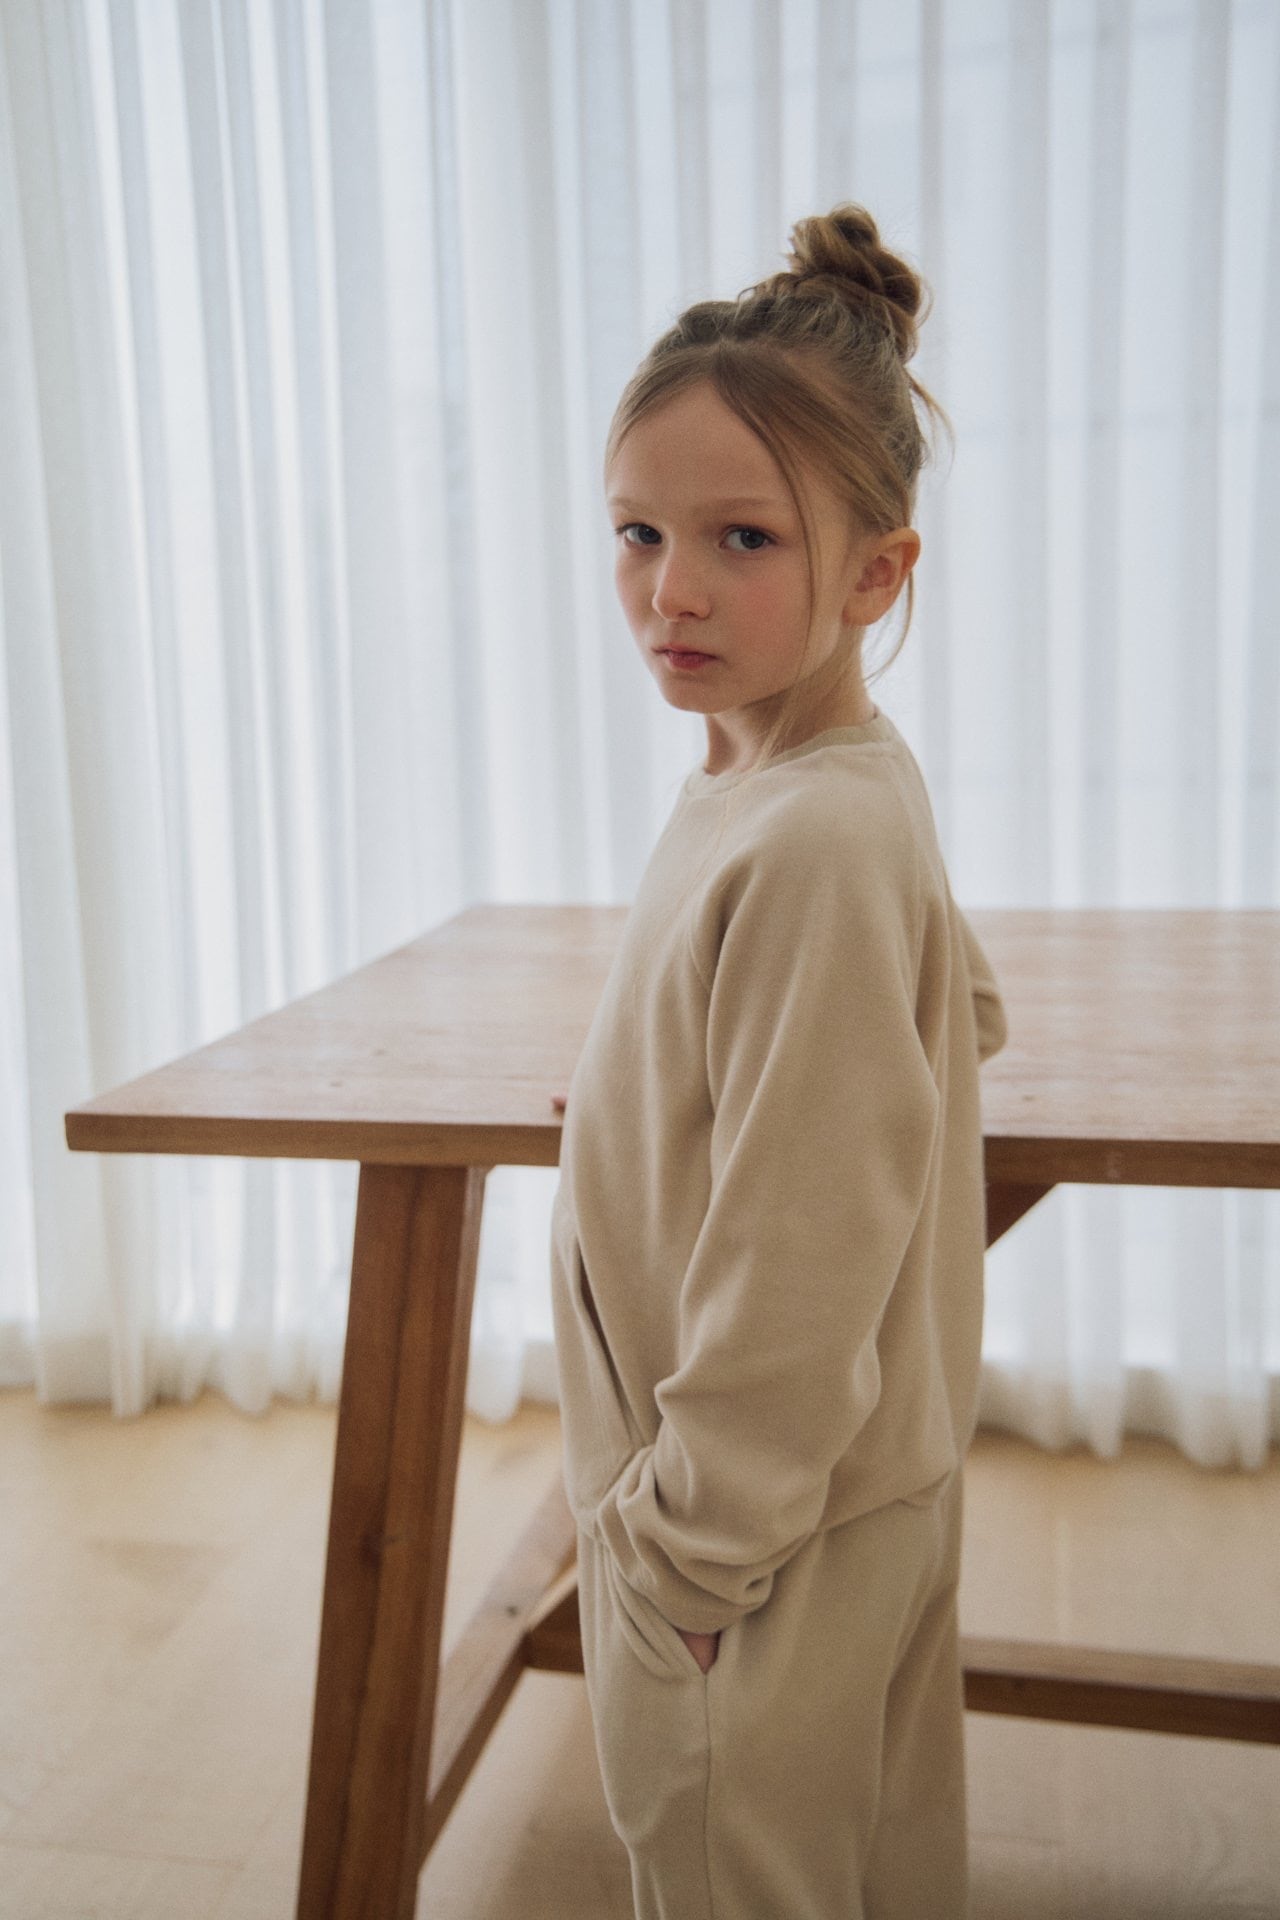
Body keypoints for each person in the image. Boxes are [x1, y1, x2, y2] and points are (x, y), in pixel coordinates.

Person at [547, 202, 1009, 1920]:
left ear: (876, 572)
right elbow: (955, 1009)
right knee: (861, 1861)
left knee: (744, 1867)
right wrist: (653, 1109)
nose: (670, 591)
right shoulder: (802, 775)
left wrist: (685, 1556)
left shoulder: (809, 835)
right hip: (842, 1500)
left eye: (742, 539)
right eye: (638, 532)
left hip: (754, 1541)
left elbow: (804, 1256)